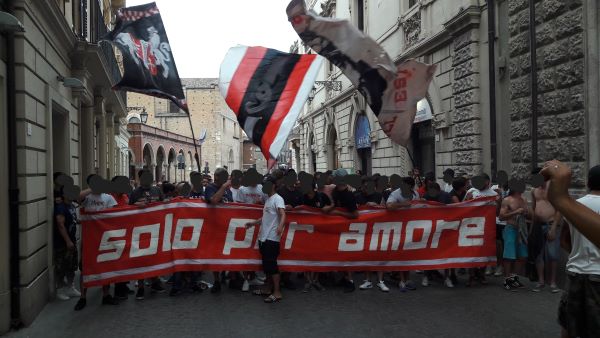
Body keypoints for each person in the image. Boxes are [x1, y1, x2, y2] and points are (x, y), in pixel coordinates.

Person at [544, 163, 600, 338]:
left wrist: (578, 253)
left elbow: (565, 241)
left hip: (575, 272)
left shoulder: (574, 205)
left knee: (569, 325)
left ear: (587, 182)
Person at [74, 175, 119, 311]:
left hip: (104, 237)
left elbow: (116, 215)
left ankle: (106, 295)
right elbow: (77, 198)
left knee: (106, 265)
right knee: (85, 267)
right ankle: (83, 297)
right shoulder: (86, 196)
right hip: (88, 237)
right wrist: (92, 189)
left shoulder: (108, 197)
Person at [245, 177, 286, 303]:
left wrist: (280, 226)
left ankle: (277, 292)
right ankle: (268, 288)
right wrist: (253, 223)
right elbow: (265, 218)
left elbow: (283, 214)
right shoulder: (268, 199)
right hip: (263, 238)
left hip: (272, 238)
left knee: (272, 266)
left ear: (273, 185)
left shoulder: (278, 198)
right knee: (267, 266)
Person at [129, 169, 166, 300]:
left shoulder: (157, 190)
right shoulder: (134, 193)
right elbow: (127, 211)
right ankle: (140, 287)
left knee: (154, 257)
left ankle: (155, 281)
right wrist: (136, 205)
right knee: (140, 259)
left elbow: (163, 205)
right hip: (140, 230)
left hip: (156, 229)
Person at [322, 170, 359, 293]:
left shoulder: (349, 195)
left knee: (345, 256)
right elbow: (332, 204)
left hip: (347, 230)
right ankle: (344, 278)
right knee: (338, 255)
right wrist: (330, 208)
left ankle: (350, 281)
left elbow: (355, 215)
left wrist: (338, 213)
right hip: (336, 229)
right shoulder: (335, 191)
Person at [531, 170, 562, 293]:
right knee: (539, 254)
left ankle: (553, 282)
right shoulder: (534, 191)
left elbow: (560, 209)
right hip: (538, 226)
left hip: (551, 224)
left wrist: (554, 227)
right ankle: (541, 281)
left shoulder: (553, 188)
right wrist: (532, 228)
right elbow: (533, 208)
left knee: (552, 255)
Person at [204, 167, 233, 293]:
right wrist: (223, 188)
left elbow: (232, 204)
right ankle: (216, 280)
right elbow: (214, 201)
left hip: (227, 226)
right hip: (214, 226)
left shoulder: (228, 190)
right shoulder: (210, 188)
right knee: (215, 254)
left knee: (228, 253)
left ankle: (227, 274)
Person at [387, 177, 418, 292]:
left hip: (411, 227)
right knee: (400, 253)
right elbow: (389, 206)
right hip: (399, 228)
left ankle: (408, 279)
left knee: (408, 254)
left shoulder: (415, 194)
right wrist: (403, 205)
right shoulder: (396, 194)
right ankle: (401, 280)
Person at [498, 188, 531, 291]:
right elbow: (501, 217)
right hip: (510, 229)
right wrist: (516, 212)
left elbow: (528, 214)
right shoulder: (507, 200)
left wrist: (526, 213)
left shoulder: (524, 199)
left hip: (521, 230)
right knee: (509, 255)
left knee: (522, 256)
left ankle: (514, 278)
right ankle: (506, 279)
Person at [53, 190, 81, 301]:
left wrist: (81, 221)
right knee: (61, 267)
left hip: (72, 240)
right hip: (62, 242)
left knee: (72, 265)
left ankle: (70, 287)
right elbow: (60, 224)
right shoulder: (61, 207)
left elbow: (73, 219)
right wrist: (67, 241)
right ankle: (59, 290)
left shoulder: (72, 206)